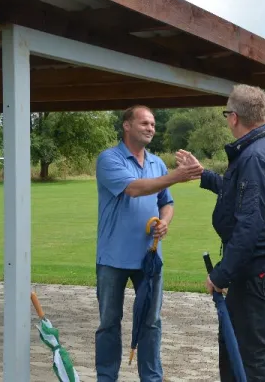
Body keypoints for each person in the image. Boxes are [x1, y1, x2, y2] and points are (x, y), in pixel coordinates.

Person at [176, 84, 265, 381]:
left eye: (227, 113)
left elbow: (250, 224)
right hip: (255, 266)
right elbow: (237, 195)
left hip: (257, 267)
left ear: (233, 117)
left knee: (253, 353)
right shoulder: (262, 150)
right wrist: (204, 175)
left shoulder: (254, 157)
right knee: (235, 345)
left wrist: (221, 274)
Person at [94, 105, 203, 382]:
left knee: (151, 323)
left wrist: (165, 220)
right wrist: (178, 176)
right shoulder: (109, 159)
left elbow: (166, 202)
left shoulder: (157, 163)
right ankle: (106, 377)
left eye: (153, 124)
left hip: (149, 259)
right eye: (144, 123)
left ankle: (151, 378)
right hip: (113, 259)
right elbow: (134, 188)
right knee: (109, 323)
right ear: (127, 126)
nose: (151, 128)